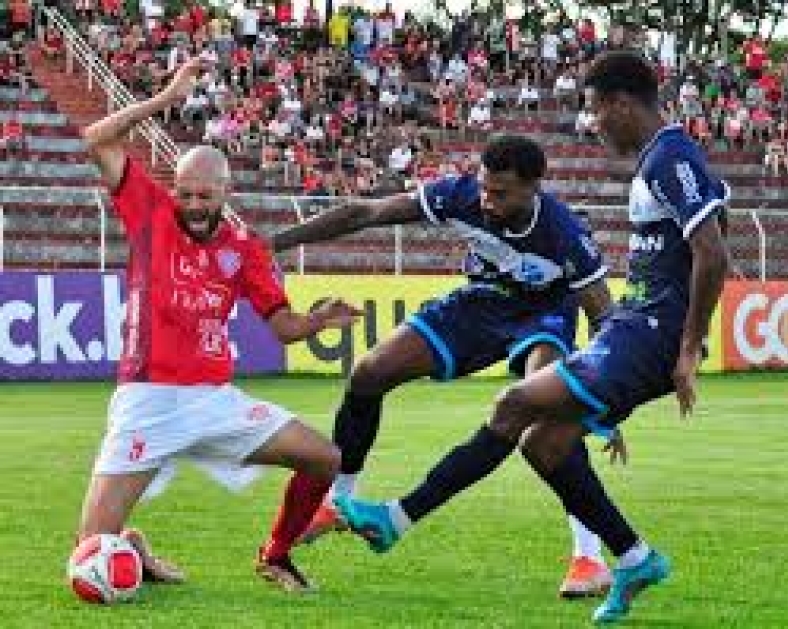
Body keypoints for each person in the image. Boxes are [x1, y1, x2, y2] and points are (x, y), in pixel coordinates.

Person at [334, 51, 731, 624]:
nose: (593, 123)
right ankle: (633, 557)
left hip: (652, 332)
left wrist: (689, 347)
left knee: (515, 404)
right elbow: (709, 234)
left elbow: (713, 253)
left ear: (622, 103)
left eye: (596, 109)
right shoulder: (659, 159)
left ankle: (396, 518)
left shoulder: (671, 156)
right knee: (545, 445)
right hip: (635, 327)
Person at [271, 133, 638, 599]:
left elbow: (604, 319)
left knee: (547, 416)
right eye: (484, 188)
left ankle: (589, 558)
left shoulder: (566, 236)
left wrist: (603, 398)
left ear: (533, 188)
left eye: (500, 193)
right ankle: (337, 500)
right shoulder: (459, 195)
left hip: (543, 316)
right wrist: (274, 243)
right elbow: (364, 213)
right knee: (369, 373)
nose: (486, 201)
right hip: (478, 304)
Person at [73, 58, 362, 594]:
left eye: (205, 196)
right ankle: (132, 546)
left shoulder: (245, 249)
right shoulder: (150, 214)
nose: (193, 205)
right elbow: (97, 138)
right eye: (185, 193)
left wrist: (318, 321)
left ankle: (276, 555)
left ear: (226, 192)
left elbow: (283, 328)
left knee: (324, 458)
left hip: (213, 400)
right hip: (147, 400)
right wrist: (167, 98)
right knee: (87, 557)